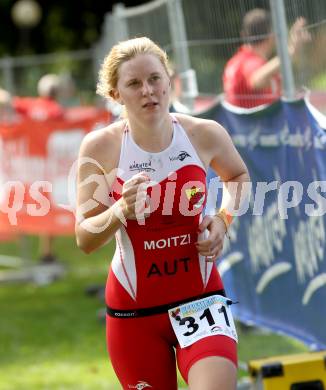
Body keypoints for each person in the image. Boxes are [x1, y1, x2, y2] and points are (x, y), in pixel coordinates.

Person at [75, 37, 250, 390]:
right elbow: (85, 237)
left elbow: (238, 178)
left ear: (170, 82)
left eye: (155, 79)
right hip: (134, 315)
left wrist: (221, 221)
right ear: (115, 94)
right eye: (134, 84)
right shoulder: (101, 147)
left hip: (200, 301)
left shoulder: (204, 133)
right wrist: (121, 210)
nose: (148, 91)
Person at [0, 74, 65, 263]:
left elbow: (7, 100)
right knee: (45, 209)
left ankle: (29, 250)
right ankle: (45, 252)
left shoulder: (28, 104)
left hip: (21, 165)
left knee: (19, 206)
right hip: (41, 167)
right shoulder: (55, 110)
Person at [222, 8, 311, 108]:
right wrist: (290, 52)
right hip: (259, 122)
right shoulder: (252, 63)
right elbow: (257, 79)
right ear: (271, 36)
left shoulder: (234, 61)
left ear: (244, 34)